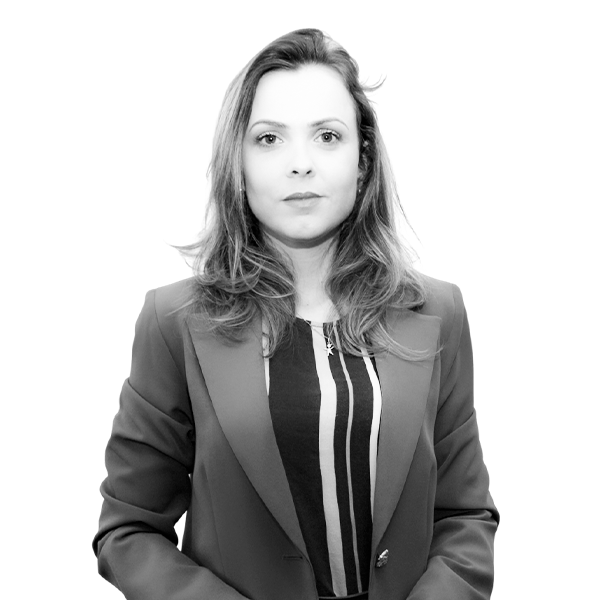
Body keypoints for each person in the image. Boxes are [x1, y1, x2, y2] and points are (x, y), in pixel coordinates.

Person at [93, 29, 499, 600]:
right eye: (269, 139)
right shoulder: (175, 321)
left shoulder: (438, 313)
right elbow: (129, 533)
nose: (300, 164)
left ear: (363, 161)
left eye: (327, 136)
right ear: (238, 164)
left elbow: (465, 519)